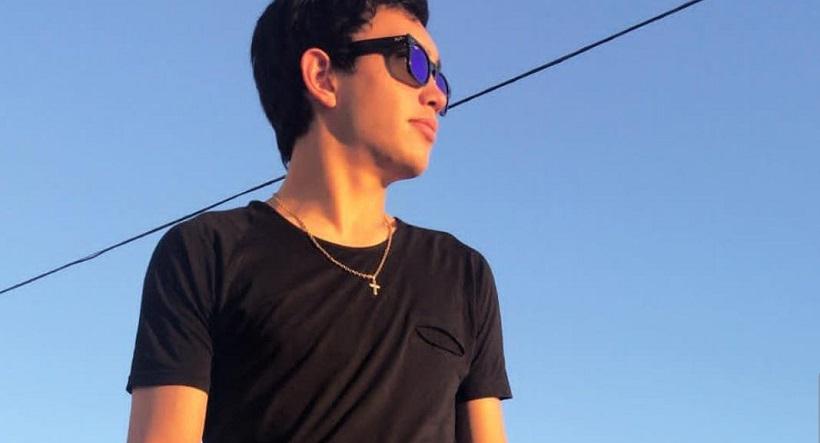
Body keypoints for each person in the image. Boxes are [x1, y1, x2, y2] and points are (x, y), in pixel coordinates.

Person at [125, 0, 512, 441]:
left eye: (438, 77)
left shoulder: (463, 274)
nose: (436, 95)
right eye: (413, 61)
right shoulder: (206, 254)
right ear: (322, 75)